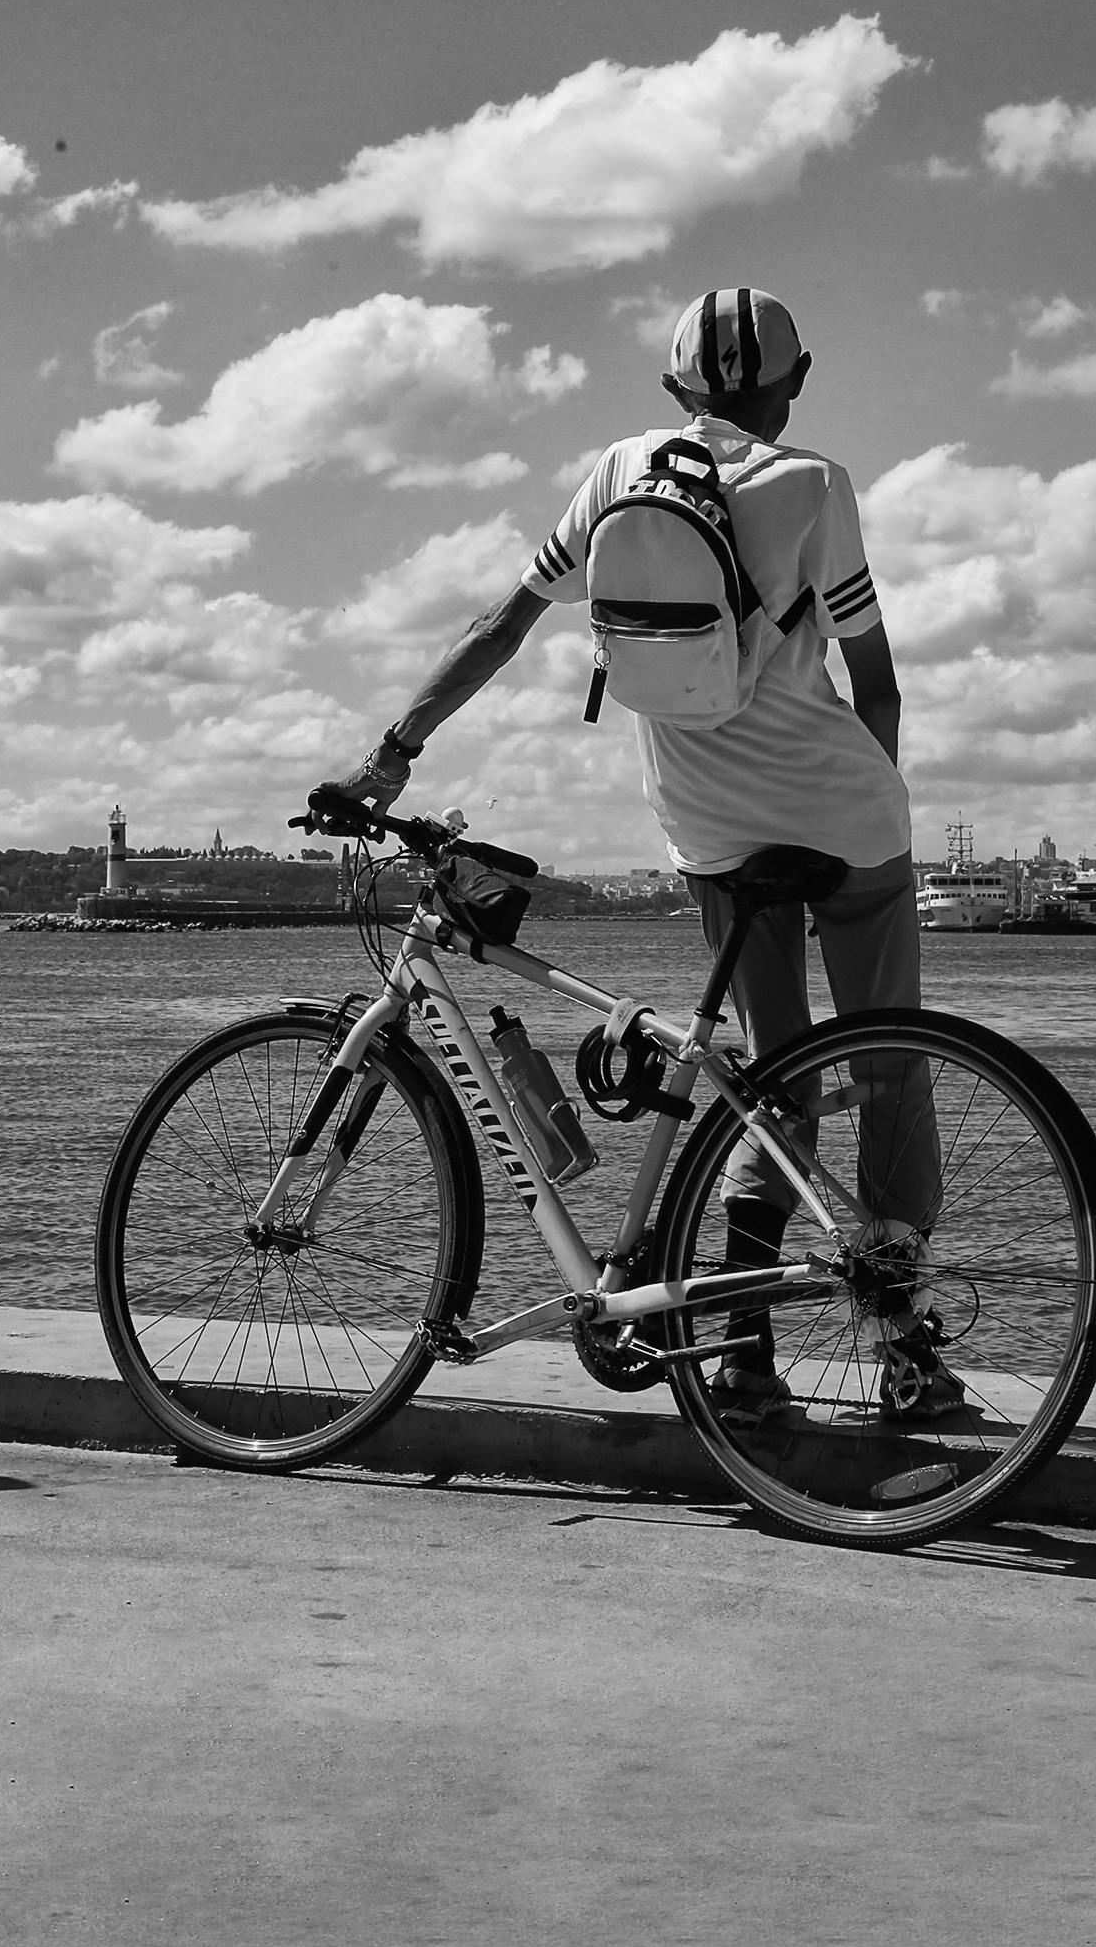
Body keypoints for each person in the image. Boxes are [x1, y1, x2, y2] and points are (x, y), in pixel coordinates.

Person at [332, 288, 958, 1422]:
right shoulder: (815, 485)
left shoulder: (619, 471)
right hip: (849, 826)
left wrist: (394, 754)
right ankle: (903, 1341)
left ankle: (746, 1357)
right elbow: (877, 680)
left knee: (774, 1084)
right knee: (890, 1069)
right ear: (795, 381)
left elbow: (501, 622)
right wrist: (874, 802)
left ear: (676, 389)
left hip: (713, 831)